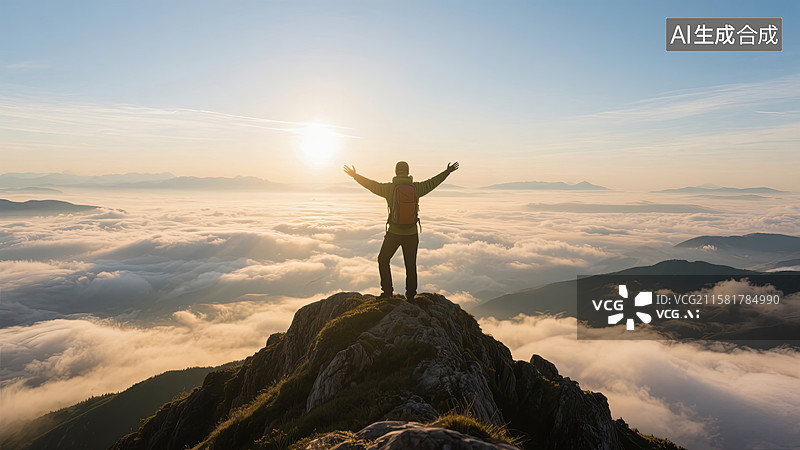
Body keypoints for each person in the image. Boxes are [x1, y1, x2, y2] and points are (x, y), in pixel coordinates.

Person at [344, 161, 459, 300]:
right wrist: (447, 172)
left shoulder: (389, 189)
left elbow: (371, 185)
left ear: (396, 172)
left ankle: (387, 292)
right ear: (408, 172)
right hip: (411, 234)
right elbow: (433, 182)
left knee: (383, 259)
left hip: (394, 233)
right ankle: (410, 296)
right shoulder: (417, 188)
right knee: (410, 265)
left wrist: (355, 176)